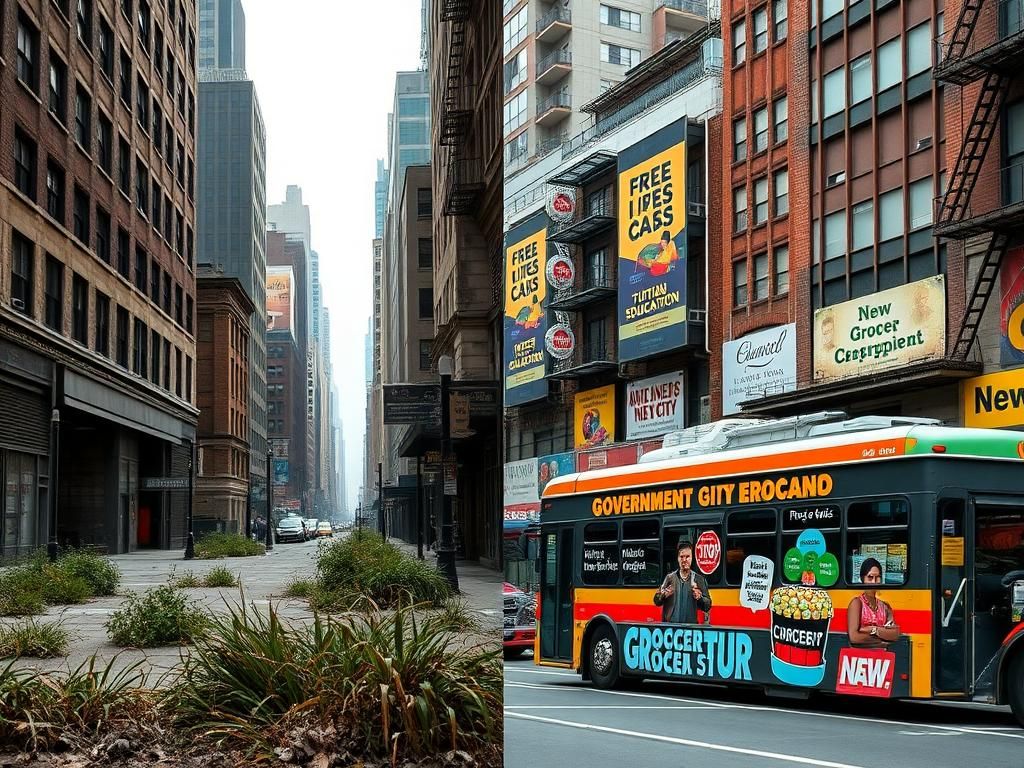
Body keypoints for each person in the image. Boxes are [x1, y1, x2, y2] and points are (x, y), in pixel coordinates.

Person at [653, 540, 712, 624]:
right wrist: (662, 595)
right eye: (681, 557)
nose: (684, 560)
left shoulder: (699, 579)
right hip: (671, 629)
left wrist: (700, 598)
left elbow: (708, 606)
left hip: (691, 630)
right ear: (678, 558)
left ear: (692, 558)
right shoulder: (669, 577)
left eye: (687, 556)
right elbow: (656, 601)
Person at [847, 557, 901, 647]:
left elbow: (894, 634)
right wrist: (881, 640)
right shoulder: (857, 603)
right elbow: (854, 637)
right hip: (860, 657)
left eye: (878, 578)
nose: (874, 582)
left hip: (882, 658)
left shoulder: (885, 606)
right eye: (870, 577)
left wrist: (873, 630)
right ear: (862, 579)